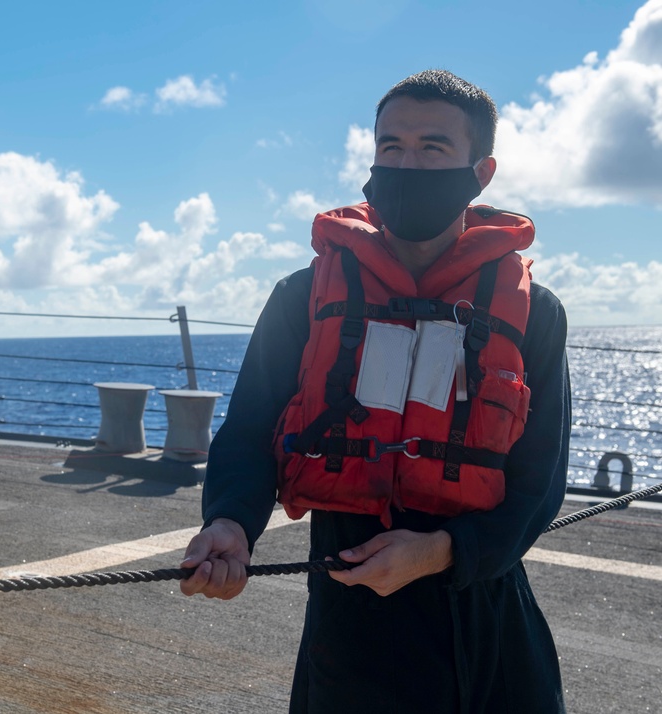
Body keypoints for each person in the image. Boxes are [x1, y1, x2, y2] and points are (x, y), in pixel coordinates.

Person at [179, 70, 570, 713]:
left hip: (488, 618)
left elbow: (540, 481)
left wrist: (443, 552)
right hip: (350, 626)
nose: (406, 165)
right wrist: (230, 521)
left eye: (432, 148)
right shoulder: (302, 297)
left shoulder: (537, 313)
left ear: (481, 172)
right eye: (391, 147)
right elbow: (249, 431)